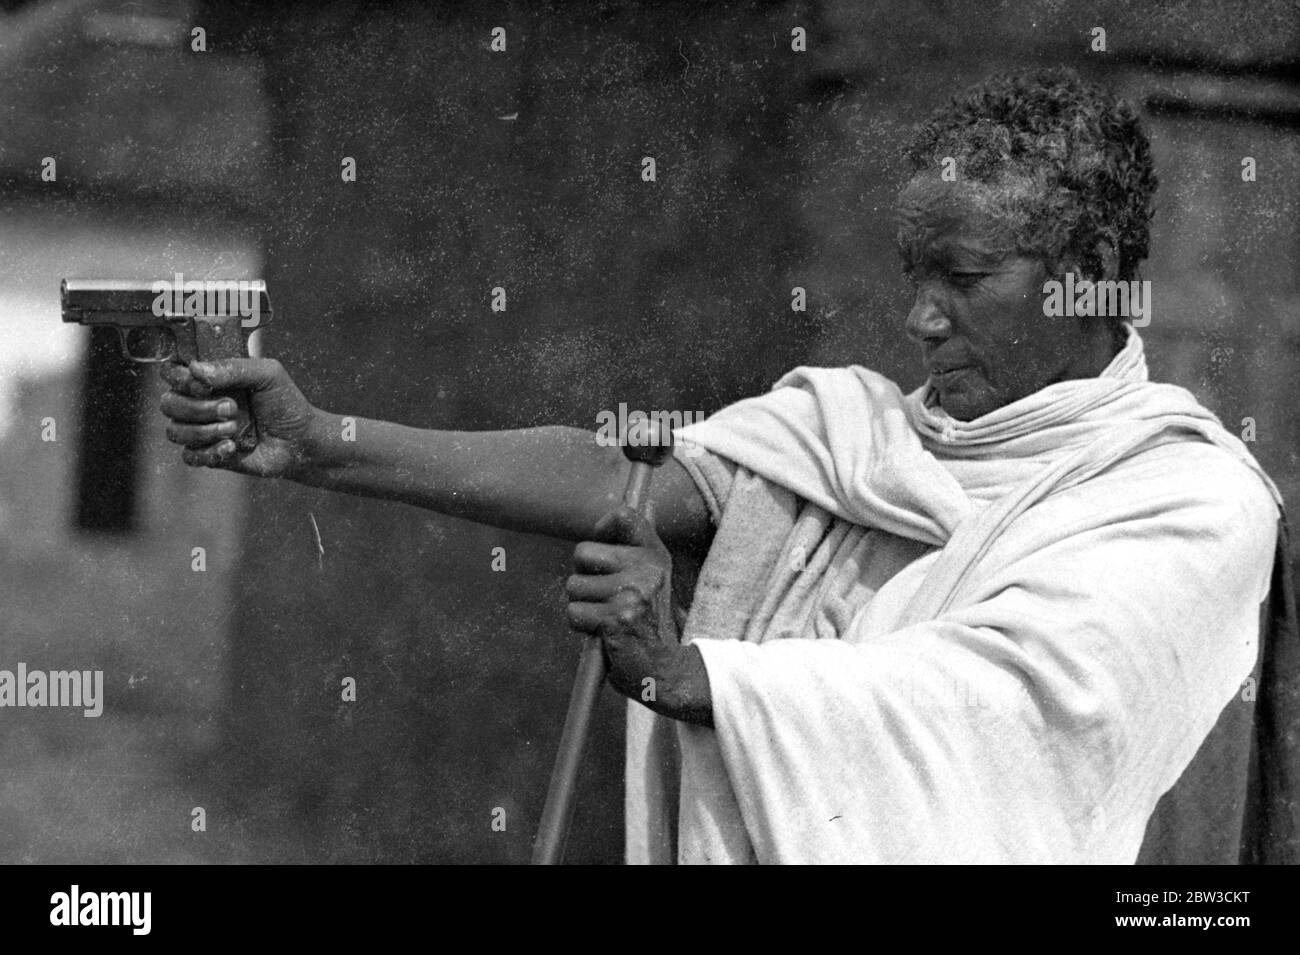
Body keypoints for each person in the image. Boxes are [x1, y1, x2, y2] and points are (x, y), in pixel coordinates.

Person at [158, 68, 1290, 864]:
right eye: (911, 275)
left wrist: (692, 674)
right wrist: (322, 442)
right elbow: (626, 485)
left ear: (1089, 272)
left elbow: (1002, 711)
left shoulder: (1184, 498)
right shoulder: (852, 433)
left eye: (964, 276)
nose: (920, 319)